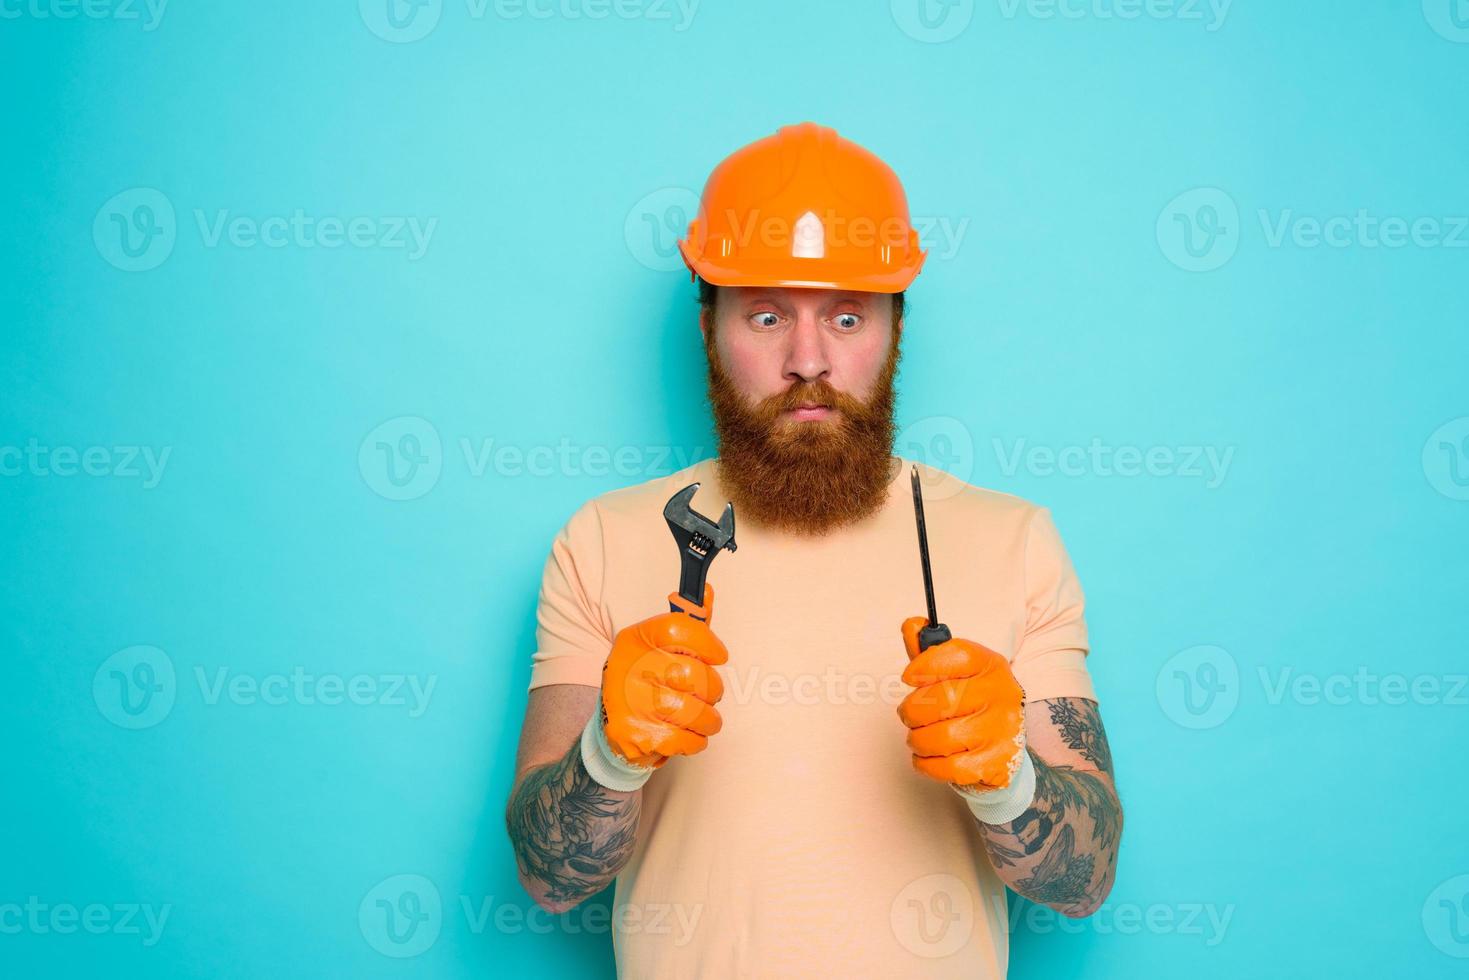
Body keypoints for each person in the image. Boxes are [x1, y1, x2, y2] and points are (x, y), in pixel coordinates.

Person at [505, 121, 1123, 978]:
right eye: (765, 315)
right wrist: (607, 755)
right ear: (708, 326)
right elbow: (547, 879)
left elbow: (1084, 885)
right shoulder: (603, 539)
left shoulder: (1014, 541)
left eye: (844, 314)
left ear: (893, 327)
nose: (806, 360)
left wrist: (1009, 780)